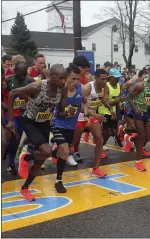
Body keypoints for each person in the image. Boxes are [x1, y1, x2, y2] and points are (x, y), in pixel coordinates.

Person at [6, 64, 68, 201]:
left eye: (65, 78)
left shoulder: (62, 89)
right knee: (46, 152)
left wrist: (67, 112)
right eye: (61, 78)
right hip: (30, 122)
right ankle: (26, 157)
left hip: (45, 122)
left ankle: (25, 188)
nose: (63, 81)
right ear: (51, 77)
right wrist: (10, 120)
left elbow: (62, 111)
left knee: (39, 161)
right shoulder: (37, 87)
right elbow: (12, 94)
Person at [51, 63, 89, 193]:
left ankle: (58, 179)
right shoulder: (60, 90)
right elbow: (59, 113)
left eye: (78, 79)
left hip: (71, 126)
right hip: (58, 125)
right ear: (66, 77)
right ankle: (58, 180)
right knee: (66, 152)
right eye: (73, 78)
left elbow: (84, 101)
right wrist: (68, 112)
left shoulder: (81, 89)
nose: (76, 81)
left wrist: (87, 112)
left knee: (63, 154)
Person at [71, 69, 113, 176]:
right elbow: (79, 106)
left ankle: (96, 168)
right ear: (96, 78)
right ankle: (65, 152)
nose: (104, 81)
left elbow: (102, 99)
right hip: (81, 116)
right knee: (73, 142)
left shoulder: (103, 87)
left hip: (92, 115)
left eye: (106, 79)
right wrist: (94, 114)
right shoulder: (87, 88)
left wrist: (110, 109)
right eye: (102, 79)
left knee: (99, 139)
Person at [127, 65, 150, 171]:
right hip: (138, 112)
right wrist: (135, 108)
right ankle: (138, 162)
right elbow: (129, 97)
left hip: (148, 112)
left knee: (148, 137)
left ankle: (132, 139)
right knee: (142, 136)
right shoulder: (141, 85)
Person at [2, 61, 35, 174]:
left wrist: (27, 104)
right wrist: (2, 103)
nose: (22, 77)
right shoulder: (7, 80)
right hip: (9, 113)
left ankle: (16, 154)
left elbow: (35, 97)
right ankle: (11, 163)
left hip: (22, 114)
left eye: (24, 74)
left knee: (22, 138)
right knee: (14, 137)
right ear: (15, 71)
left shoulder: (30, 80)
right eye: (20, 74)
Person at [98, 68, 125, 157]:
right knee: (107, 132)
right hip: (104, 111)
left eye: (118, 77)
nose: (118, 79)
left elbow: (119, 98)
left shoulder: (119, 85)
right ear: (111, 77)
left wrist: (121, 104)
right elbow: (106, 102)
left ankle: (102, 145)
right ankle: (100, 148)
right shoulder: (106, 86)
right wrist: (118, 100)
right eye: (115, 77)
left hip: (112, 111)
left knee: (114, 132)